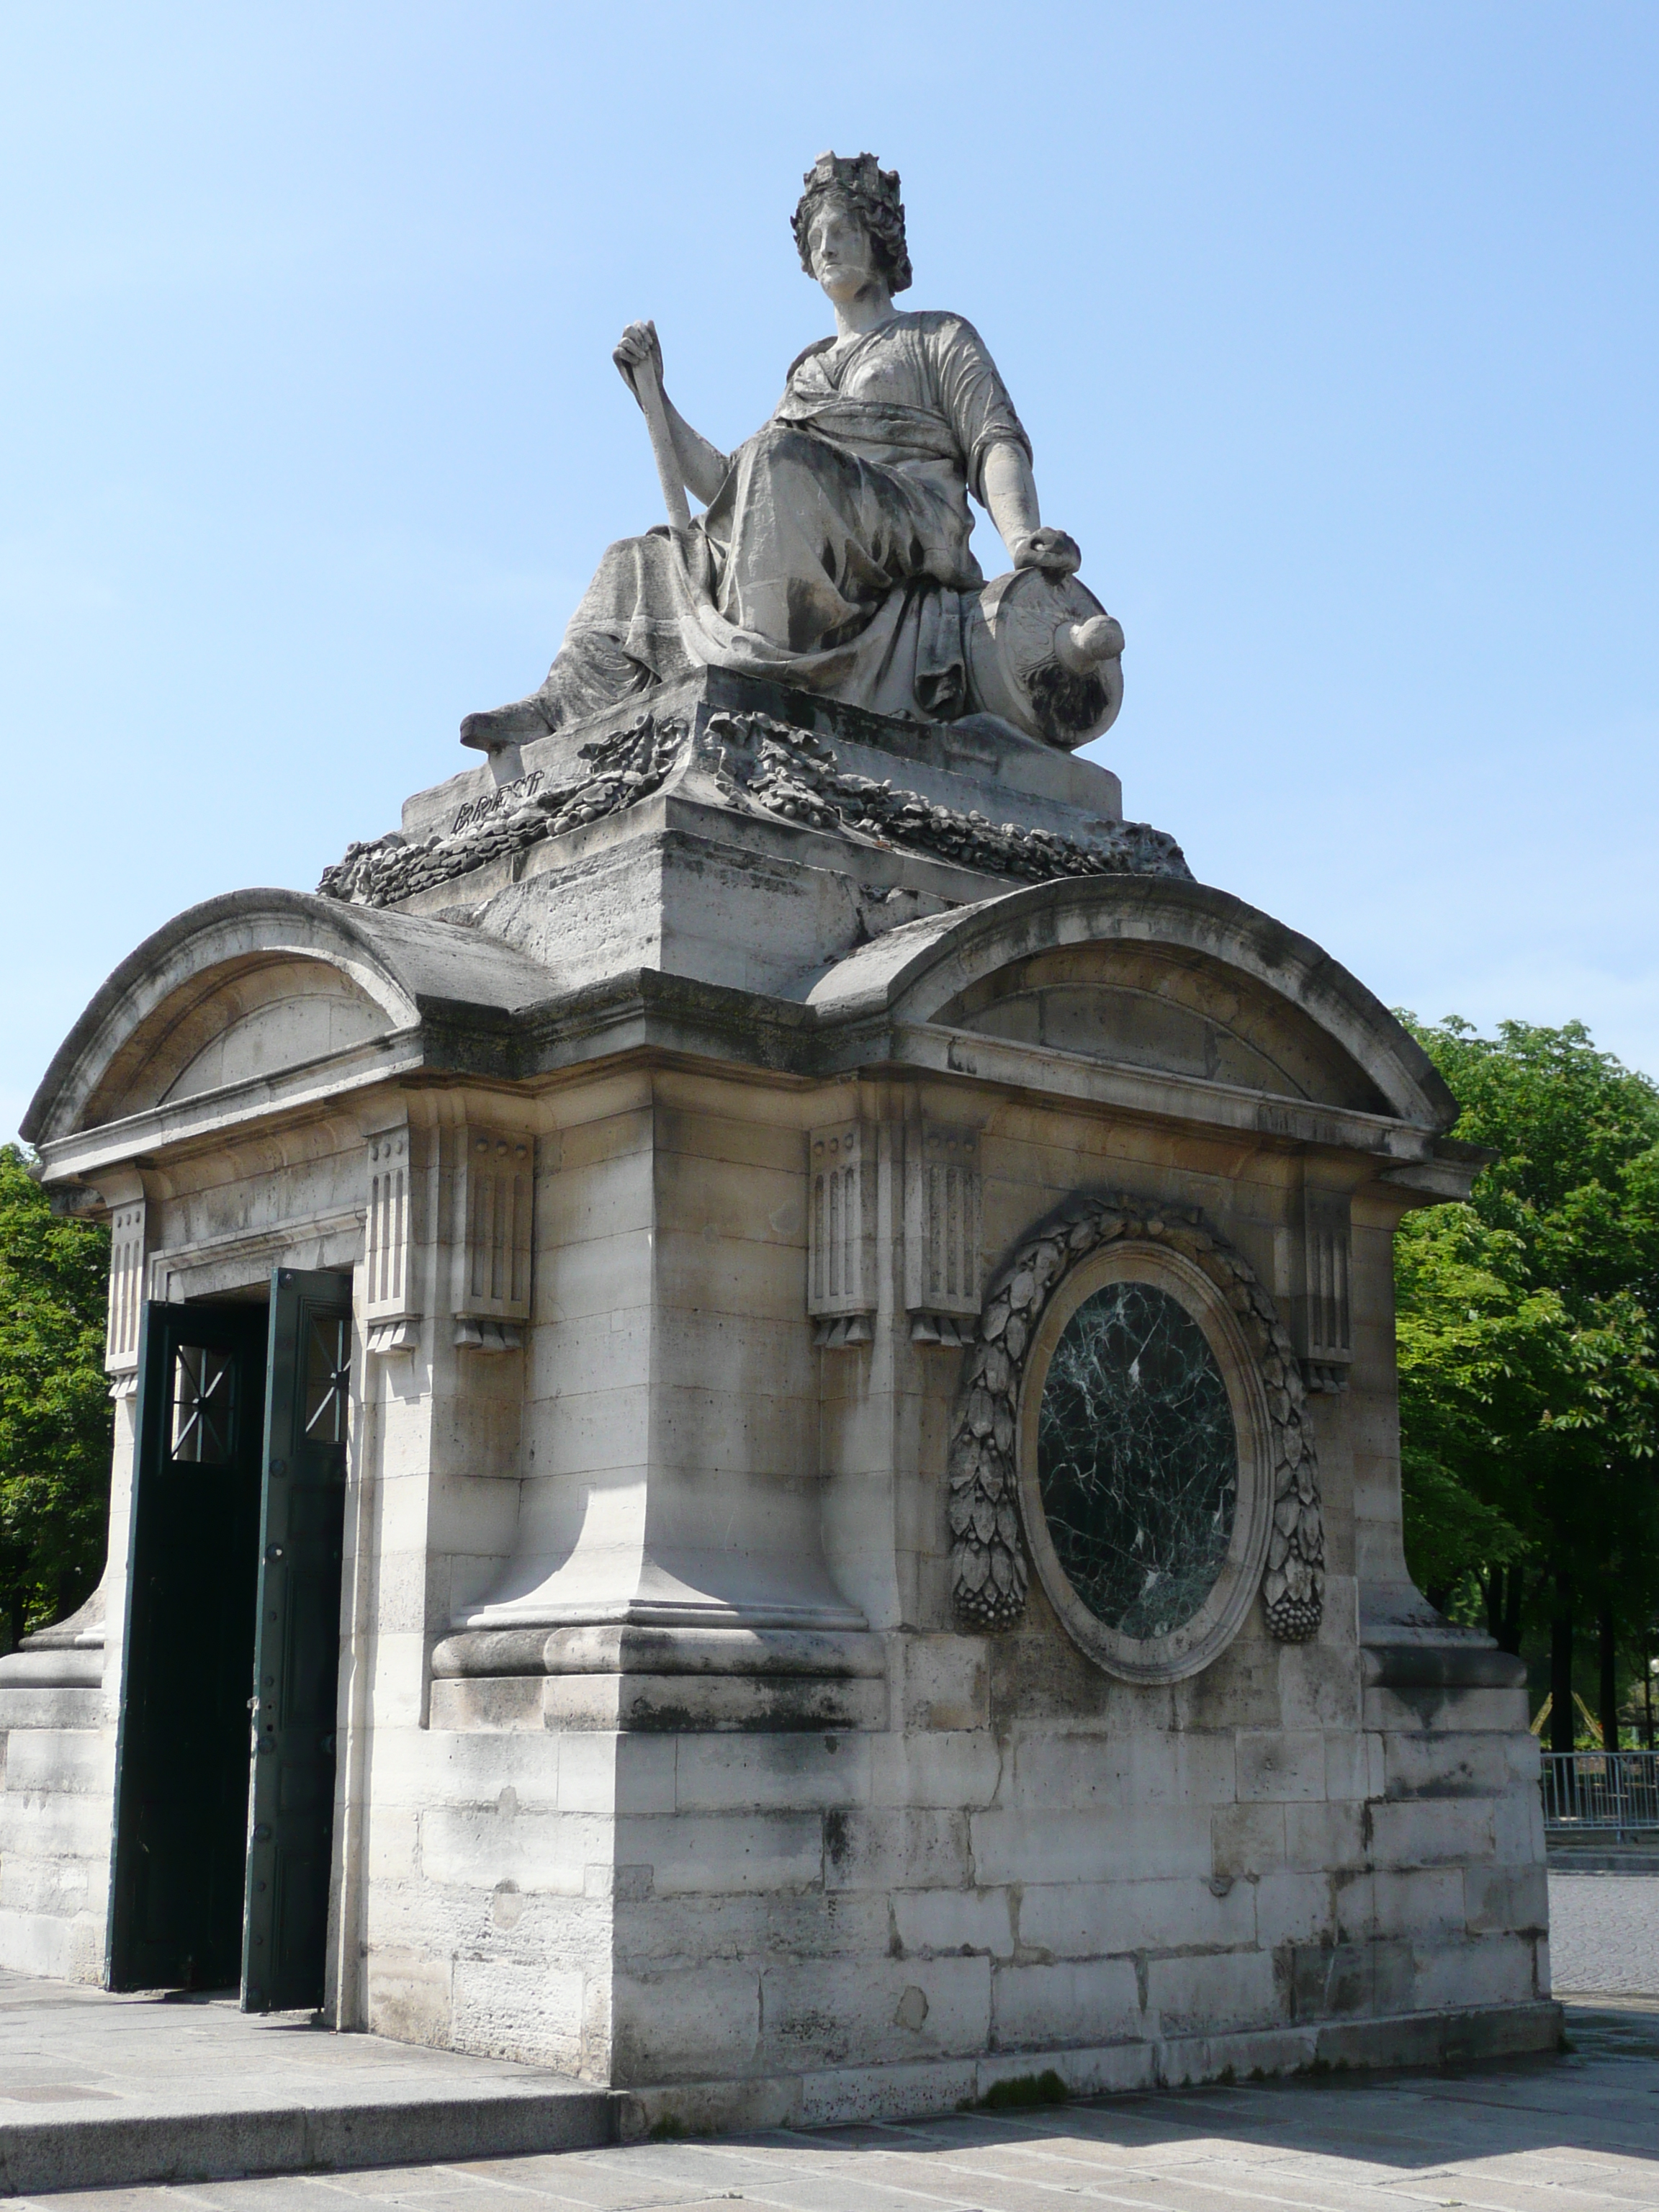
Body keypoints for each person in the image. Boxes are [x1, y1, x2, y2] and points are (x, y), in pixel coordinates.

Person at [461, 151, 1084, 752]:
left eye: (841, 231)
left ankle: (756, 675)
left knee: (776, 457)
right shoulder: (808, 371)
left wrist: (1021, 535)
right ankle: (563, 707)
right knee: (638, 558)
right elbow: (736, 491)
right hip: (811, 520)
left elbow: (993, 440)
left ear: (879, 238)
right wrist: (657, 401)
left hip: (910, 523)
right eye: (816, 239)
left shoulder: (938, 335)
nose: (827, 248)